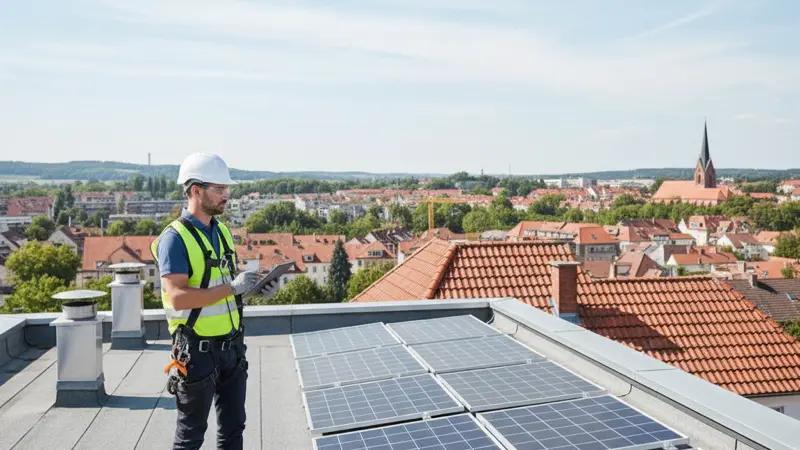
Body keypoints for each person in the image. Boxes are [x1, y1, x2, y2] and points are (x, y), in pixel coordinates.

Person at [151, 153, 271, 450]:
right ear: (195, 190)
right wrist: (233, 288)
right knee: (191, 436)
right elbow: (178, 297)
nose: (226, 196)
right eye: (219, 189)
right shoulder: (174, 238)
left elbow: (222, 286)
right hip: (196, 351)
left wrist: (250, 288)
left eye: (227, 189)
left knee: (233, 430)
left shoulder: (222, 232)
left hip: (231, 348)